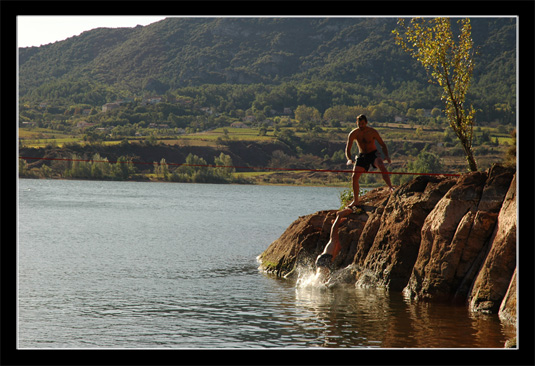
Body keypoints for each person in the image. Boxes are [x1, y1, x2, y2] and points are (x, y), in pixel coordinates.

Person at [345, 114, 394, 208]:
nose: (361, 126)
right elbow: (348, 148)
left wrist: (386, 156)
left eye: (363, 123)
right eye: (359, 124)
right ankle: (356, 201)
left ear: (366, 123)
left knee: (381, 164)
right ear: (356, 123)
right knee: (354, 176)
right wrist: (349, 158)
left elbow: (383, 145)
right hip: (362, 155)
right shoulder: (354, 133)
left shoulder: (372, 132)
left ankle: (390, 187)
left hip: (373, 154)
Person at [314, 207, 353, 281]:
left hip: (324, 260)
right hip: (324, 261)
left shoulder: (317, 281)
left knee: (334, 240)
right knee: (335, 241)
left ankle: (338, 217)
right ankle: (336, 222)